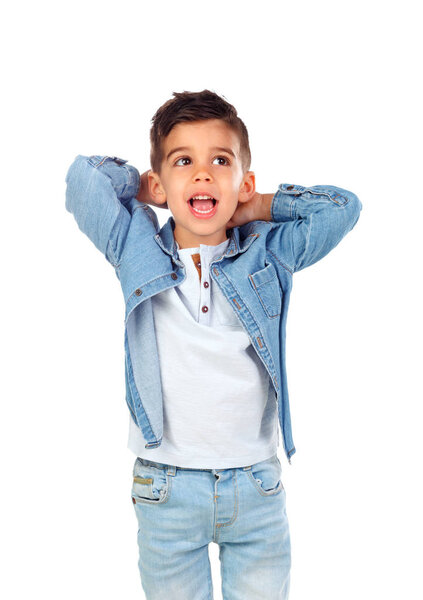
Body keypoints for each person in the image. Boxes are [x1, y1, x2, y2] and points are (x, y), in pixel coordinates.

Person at [65, 89, 362, 600]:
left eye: (219, 161)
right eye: (184, 162)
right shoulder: (135, 245)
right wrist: (145, 187)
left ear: (241, 182)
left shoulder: (268, 253)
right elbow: (82, 181)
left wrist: (260, 206)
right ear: (160, 184)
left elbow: (342, 209)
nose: (202, 175)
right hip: (167, 487)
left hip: (256, 488)